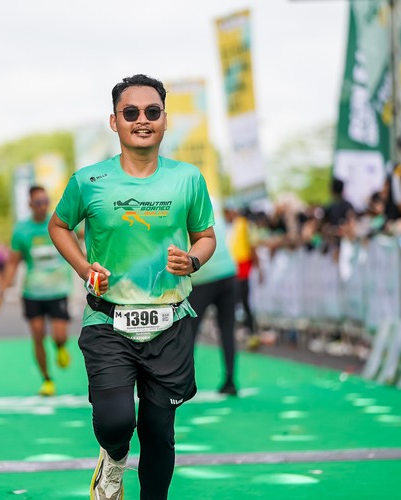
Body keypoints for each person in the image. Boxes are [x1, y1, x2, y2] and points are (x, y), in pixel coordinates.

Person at [48, 74, 216, 500]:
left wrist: (193, 259)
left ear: (165, 120)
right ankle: (114, 457)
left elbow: (205, 236)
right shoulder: (88, 180)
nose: (142, 120)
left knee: (159, 431)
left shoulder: (187, 178)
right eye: (131, 112)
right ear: (114, 121)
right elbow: (59, 225)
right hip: (108, 321)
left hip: (170, 322)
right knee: (116, 422)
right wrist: (84, 268)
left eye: (152, 112)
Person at [0, 185, 72, 397]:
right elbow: (12, 263)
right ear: (30, 204)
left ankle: (60, 347)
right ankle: (47, 380)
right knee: (37, 335)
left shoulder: (58, 222)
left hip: (58, 290)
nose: (43, 206)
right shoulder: (21, 230)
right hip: (32, 292)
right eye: (38, 202)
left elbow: (79, 238)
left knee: (60, 336)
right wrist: (1, 293)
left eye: (46, 201)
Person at [188, 197, 238, 396]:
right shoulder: (214, 201)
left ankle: (185, 382)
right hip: (227, 271)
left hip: (203, 275)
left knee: (190, 331)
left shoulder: (185, 199)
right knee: (227, 329)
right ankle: (230, 380)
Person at [224, 205, 260, 350]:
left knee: (238, 302)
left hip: (239, 268)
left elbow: (250, 247)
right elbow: (252, 247)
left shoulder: (238, 225)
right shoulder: (242, 225)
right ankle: (248, 333)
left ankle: (242, 333)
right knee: (243, 302)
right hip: (241, 268)